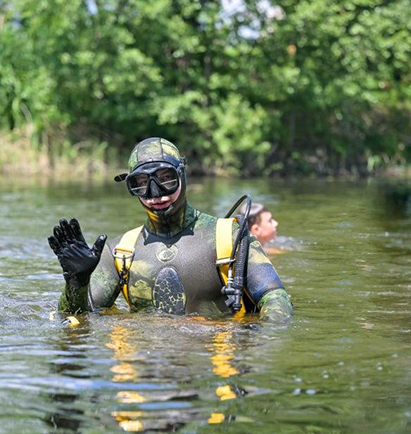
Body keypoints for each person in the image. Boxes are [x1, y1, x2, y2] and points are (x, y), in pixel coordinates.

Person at [47, 137, 292, 321]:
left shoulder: (229, 237)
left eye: (166, 179)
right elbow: (79, 320)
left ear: (183, 176)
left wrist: (260, 340)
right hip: (144, 374)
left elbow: (275, 298)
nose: (155, 194)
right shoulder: (120, 252)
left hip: (210, 366)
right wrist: (76, 282)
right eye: (141, 184)